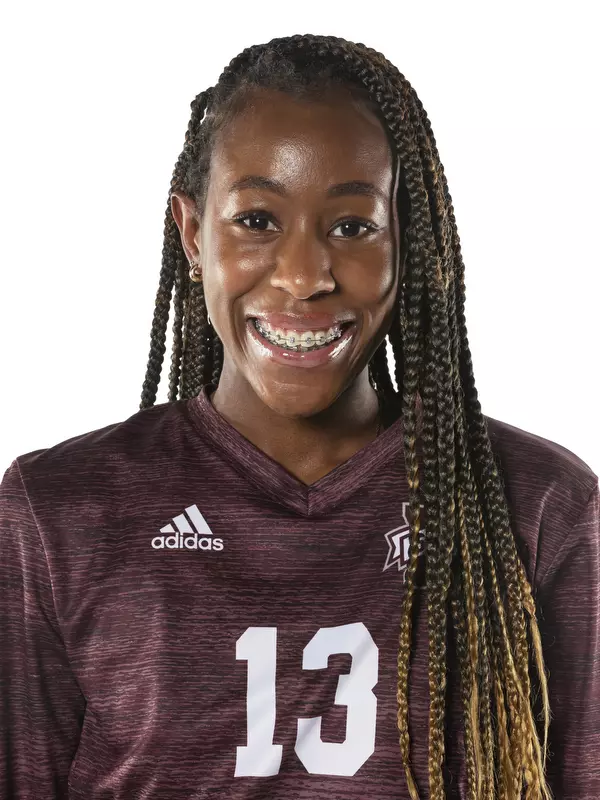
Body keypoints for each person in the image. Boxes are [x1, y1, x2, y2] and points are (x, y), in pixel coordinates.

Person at [1, 33, 598, 800]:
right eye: (256, 220)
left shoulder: (539, 506)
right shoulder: (63, 511)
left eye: (352, 226)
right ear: (192, 233)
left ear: (407, 241)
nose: (303, 276)